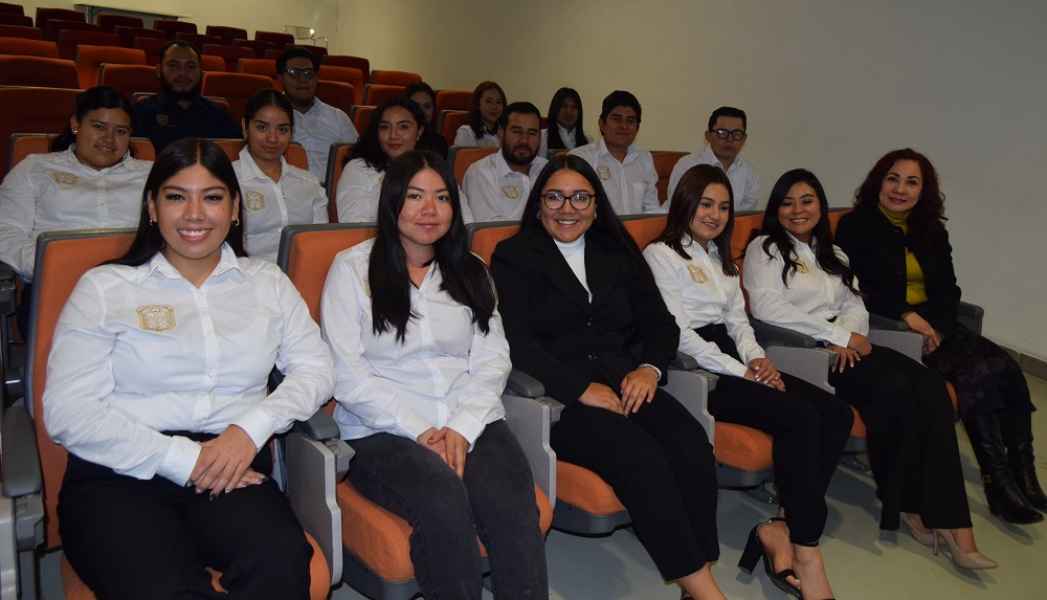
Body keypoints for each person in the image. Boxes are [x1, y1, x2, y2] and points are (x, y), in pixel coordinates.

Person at [44, 138, 335, 598]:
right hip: (120, 470)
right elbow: (68, 411)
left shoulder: (267, 283)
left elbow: (316, 368)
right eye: (177, 196)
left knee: (280, 563)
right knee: (166, 587)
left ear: (235, 208)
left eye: (212, 197)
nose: (195, 214)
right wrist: (186, 460)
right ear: (152, 207)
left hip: (231, 465)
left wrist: (250, 430)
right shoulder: (106, 287)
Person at [491, 155, 725, 600]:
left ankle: (700, 572)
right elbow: (518, 343)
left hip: (628, 380)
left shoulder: (616, 251)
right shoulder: (514, 256)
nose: (568, 208)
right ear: (538, 204)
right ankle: (706, 591)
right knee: (642, 457)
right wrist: (579, 389)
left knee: (691, 443)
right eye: (555, 197)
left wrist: (649, 369)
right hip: (561, 400)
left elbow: (661, 325)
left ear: (597, 205)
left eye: (581, 197)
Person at [744, 168, 997, 570]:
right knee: (893, 390)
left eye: (807, 200)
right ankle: (909, 506)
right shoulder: (764, 248)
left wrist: (849, 336)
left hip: (848, 347)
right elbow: (768, 308)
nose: (797, 210)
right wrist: (837, 337)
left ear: (820, 206)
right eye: (787, 202)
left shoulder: (834, 253)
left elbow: (855, 304)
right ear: (775, 209)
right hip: (806, 352)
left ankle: (954, 521)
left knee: (929, 385)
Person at [321, 150, 548, 599]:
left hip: (470, 418)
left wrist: (462, 428)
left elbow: (493, 359)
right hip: (383, 428)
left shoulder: (472, 270)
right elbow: (346, 373)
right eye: (415, 196)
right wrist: (421, 430)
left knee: (512, 502)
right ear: (392, 202)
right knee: (442, 500)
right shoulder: (351, 269)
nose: (429, 210)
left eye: (442, 197)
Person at [646, 164, 851, 599]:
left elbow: (738, 321)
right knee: (799, 416)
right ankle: (807, 552)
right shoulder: (661, 255)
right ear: (685, 203)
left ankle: (784, 527)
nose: (715, 215)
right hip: (697, 368)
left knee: (835, 413)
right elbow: (677, 333)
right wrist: (742, 372)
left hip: (735, 356)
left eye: (724, 207)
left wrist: (758, 359)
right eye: (705, 204)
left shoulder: (720, 258)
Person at [836, 148, 1045, 524]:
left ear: (923, 190)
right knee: (976, 375)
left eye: (911, 182)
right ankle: (997, 482)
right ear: (878, 182)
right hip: (891, 327)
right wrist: (908, 316)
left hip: (937, 326)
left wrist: (937, 328)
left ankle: (1023, 473)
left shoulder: (931, 230)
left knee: (1007, 367)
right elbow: (859, 288)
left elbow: (949, 290)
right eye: (892, 179)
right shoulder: (856, 226)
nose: (900, 189)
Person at [0, 85, 150, 333]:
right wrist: (52, 266)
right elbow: (6, 231)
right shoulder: (35, 169)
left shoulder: (152, 174)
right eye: (98, 126)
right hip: (58, 287)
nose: (109, 139)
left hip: (138, 285)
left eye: (121, 131)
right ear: (75, 125)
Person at [336, 97, 472, 223]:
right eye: (385, 127)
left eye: (403, 127)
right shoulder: (358, 168)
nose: (393, 135)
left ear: (419, 132)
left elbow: (466, 221)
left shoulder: (436, 168)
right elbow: (354, 224)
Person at [232, 89, 328, 263]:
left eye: (282, 130)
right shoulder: (227, 180)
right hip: (245, 274)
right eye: (262, 127)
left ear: (292, 133)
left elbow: (321, 243)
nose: (272, 138)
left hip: (302, 273)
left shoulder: (309, 183)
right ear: (245, 127)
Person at [132, 41, 240, 152]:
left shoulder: (219, 116)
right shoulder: (140, 113)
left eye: (191, 66)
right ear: (159, 71)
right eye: (173, 65)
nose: (183, 73)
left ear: (201, 73)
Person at [569, 90, 662, 215]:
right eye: (616, 119)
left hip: (638, 227)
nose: (623, 126)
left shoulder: (644, 158)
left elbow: (652, 209)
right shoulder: (581, 158)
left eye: (630, 121)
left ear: (637, 128)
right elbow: (575, 209)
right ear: (602, 124)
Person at [277, 46, 359, 183]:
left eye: (308, 73)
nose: (302, 79)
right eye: (294, 73)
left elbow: (358, 161)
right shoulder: (270, 117)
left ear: (316, 78)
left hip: (333, 191)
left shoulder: (338, 118)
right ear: (280, 78)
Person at [462, 101, 547, 222]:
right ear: (501, 133)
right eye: (517, 131)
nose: (524, 140)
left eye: (532, 133)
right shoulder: (480, 173)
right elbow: (492, 229)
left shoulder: (547, 169)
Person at [668, 106, 759, 210]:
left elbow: (745, 214)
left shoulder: (749, 172)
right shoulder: (687, 165)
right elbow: (679, 209)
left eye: (737, 134)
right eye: (722, 133)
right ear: (708, 136)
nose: (730, 139)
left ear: (744, 139)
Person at [539, 87, 590, 157]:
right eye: (564, 106)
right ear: (555, 109)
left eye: (574, 107)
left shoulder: (588, 140)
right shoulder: (542, 138)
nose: (569, 111)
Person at [452, 81, 505, 148]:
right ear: (477, 104)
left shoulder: (506, 132)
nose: (494, 107)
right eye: (488, 101)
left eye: (498, 102)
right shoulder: (466, 132)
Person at [405, 81, 449, 158]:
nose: (422, 111)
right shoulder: (395, 138)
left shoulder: (439, 142)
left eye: (427, 106)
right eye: (416, 106)